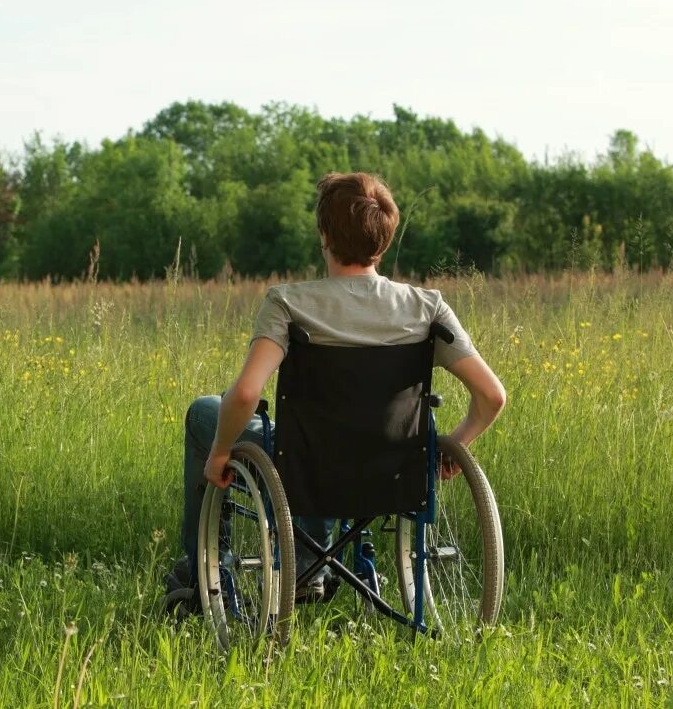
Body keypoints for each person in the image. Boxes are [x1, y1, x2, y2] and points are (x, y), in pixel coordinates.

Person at [168, 171, 507, 601]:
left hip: (307, 465)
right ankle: (311, 566)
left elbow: (246, 395)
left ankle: (204, 576)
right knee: (321, 446)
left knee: (206, 411)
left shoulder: (288, 303)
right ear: (384, 240)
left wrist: (219, 454)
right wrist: (446, 449)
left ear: (324, 234)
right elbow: (492, 396)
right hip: (394, 467)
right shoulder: (428, 307)